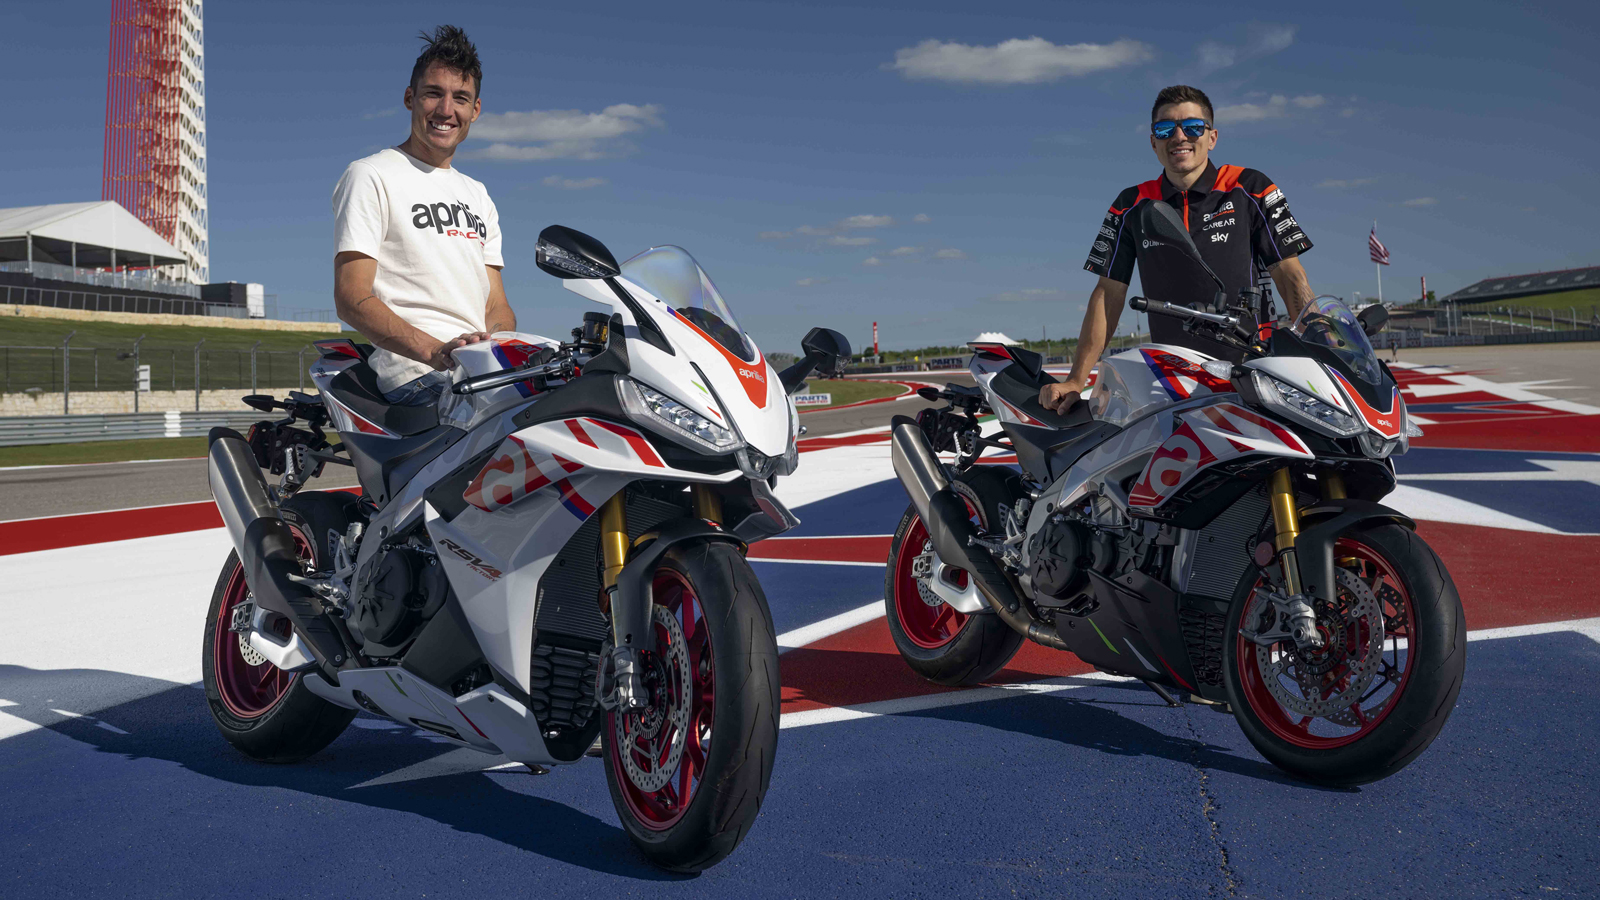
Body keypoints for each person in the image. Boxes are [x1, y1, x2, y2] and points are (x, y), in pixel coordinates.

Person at [1041, 85, 1318, 413]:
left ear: (1212, 137)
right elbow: (1108, 294)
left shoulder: (1250, 188)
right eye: (1165, 129)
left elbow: (1289, 274)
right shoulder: (1131, 205)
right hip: (1170, 384)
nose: (1179, 136)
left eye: (1193, 127)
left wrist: (1321, 349)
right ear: (1153, 142)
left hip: (1253, 373)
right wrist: (1076, 379)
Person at [331, 25, 514, 406]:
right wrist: (435, 351)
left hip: (477, 373)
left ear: (475, 110)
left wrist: (492, 347)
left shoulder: (478, 194)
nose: (446, 110)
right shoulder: (371, 174)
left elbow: (495, 304)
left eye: (460, 98)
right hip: (415, 376)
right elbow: (351, 296)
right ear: (409, 98)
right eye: (433, 93)